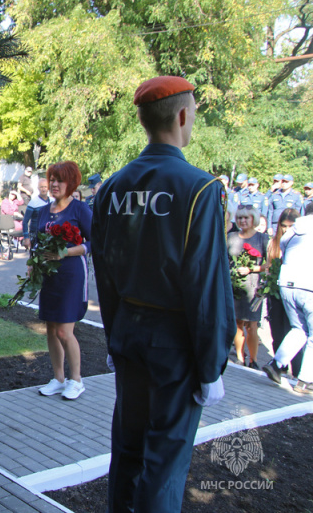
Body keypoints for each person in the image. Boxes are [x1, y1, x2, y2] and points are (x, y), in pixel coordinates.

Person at [91, 76, 235, 512]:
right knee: (165, 464)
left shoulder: (112, 188)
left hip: (129, 332)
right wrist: (211, 367)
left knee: (128, 452)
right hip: (174, 344)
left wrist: (115, 335)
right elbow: (207, 286)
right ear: (183, 115)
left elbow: (105, 272)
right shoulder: (200, 188)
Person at [31, 161, 91, 401]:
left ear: (72, 183)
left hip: (71, 275)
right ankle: (58, 379)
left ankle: (76, 380)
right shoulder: (45, 209)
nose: (54, 184)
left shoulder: (80, 209)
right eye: (52, 179)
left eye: (60, 180)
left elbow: (94, 243)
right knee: (51, 330)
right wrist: (32, 263)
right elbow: (37, 240)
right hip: (48, 276)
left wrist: (65, 252)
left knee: (65, 332)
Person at [263, 214, 313, 394]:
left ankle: (276, 364)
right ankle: (306, 381)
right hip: (309, 285)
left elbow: (283, 246)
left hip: (287, 283)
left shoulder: (295, 229)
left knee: (298, 329)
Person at [227, 205, 269, 368]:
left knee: (252, 325)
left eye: (246, 218)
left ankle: (254, 359)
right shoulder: (231, 237)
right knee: (237, 323)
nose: (243, 221)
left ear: (254, 220)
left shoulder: (262, 239)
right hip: (234, 286)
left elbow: (270, 264)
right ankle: (239, 356)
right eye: (240, 218)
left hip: (253, 286)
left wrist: (251, 269)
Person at [265, 209, 304, 377]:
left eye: (290, 226)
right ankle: (279, 368)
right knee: (277, 332)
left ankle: (297, 371)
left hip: (292, 291)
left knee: (294, 330)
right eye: (283, 226)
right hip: (275, 292)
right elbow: (268, 266)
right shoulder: (273, 243)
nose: (286, 230)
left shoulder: (301, 242)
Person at [21, 178, 51, 242]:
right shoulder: (33, 202)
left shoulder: (52, 201)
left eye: (45, 187)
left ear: (48, 188)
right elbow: (25, 221)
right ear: (38, 188)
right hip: (36, 236)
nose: (43, 189)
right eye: (41, 187)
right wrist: (26, 237)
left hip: (49, 236)